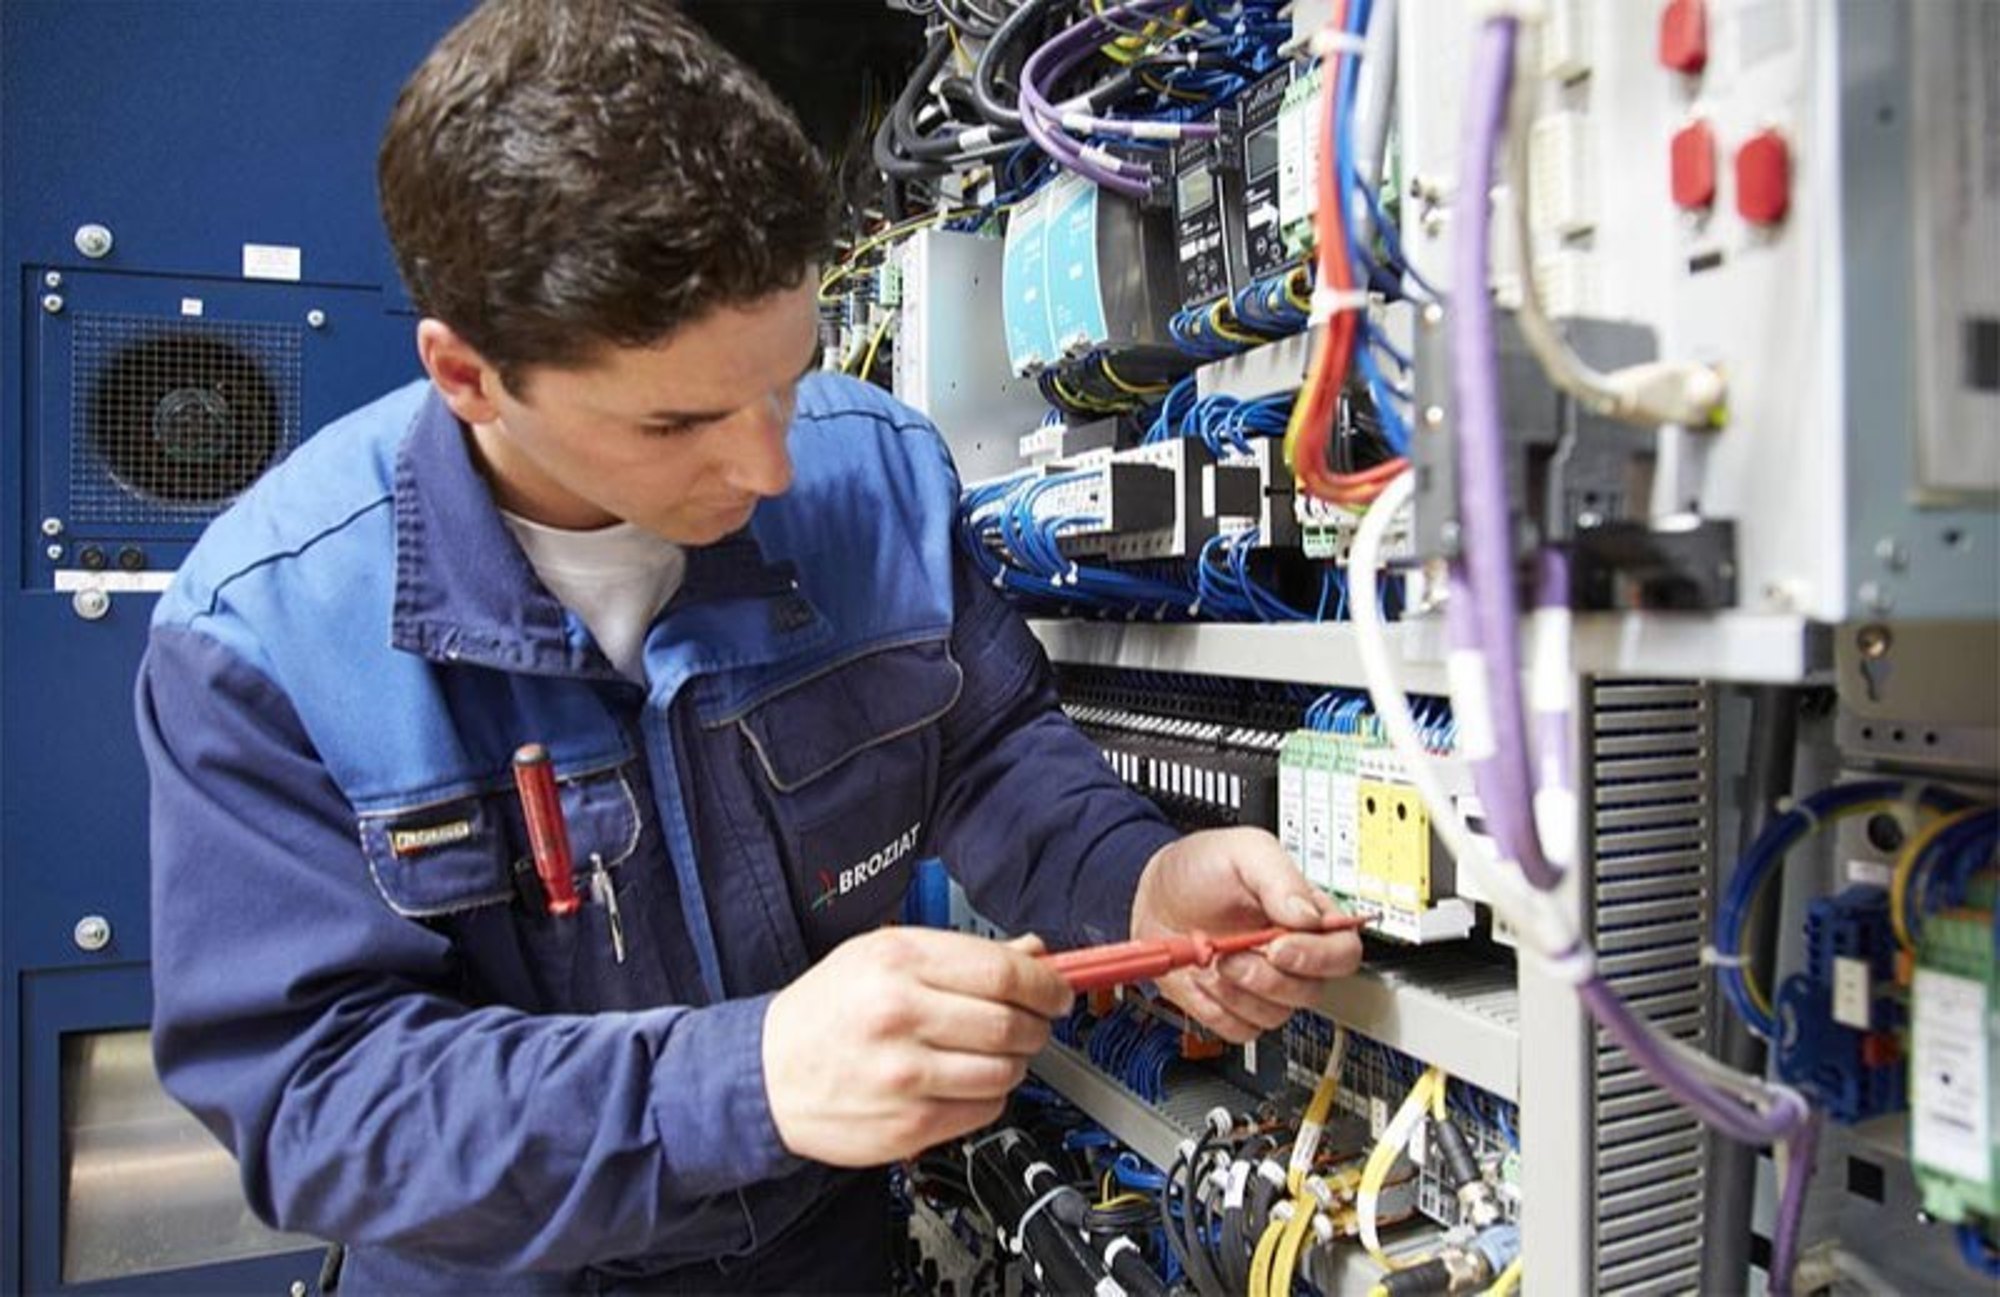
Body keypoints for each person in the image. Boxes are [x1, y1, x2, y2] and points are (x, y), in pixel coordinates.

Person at [136, 2, 1362, 1292]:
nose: (769, 465)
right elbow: (316, 1100)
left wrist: (1136, 879)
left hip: (816, 1256)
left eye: (788, 378)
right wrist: (747, 1080)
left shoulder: (871, 476)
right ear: (469, 376)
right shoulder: (267, 636)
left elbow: (987, 750)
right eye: (677, 423)